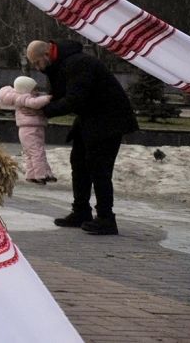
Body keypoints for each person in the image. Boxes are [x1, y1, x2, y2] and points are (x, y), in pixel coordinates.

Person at [26, 39, 139, 236]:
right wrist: (37, 101)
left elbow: (75, 99)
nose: (37, 68)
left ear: (46, 55)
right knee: (79, 162)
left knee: (99, 168)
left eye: (37, 63)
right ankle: (81, 211)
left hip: (108, 119)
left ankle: (106, 218)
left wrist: (44, 110)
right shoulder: (61, 64)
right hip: (91, 118)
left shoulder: (78, 63)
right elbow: (60, 95)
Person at [0, 75, 55, 185]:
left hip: (30, 128)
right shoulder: (23, 98)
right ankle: (41, 175)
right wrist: (48, 98)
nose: (37, 91)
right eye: (34, 89)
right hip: (30, 129)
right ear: (26, 89)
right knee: (37, 152)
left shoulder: (23, 97)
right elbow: (35, 103)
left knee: (30, 153)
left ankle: (31, 175)